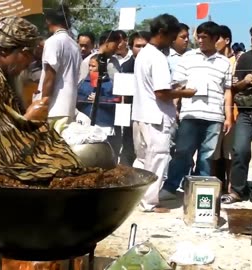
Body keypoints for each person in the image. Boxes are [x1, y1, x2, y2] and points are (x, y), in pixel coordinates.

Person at [0, 16, 86, 180]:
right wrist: (29, 119)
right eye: (27, 54)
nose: (29, 62)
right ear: (4, 51)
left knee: (69, 159)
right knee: (64, 162)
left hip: (1, 155)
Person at [160, 21, 233, 201]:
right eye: (198, 36)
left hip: (214, 116)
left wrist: (228, 116)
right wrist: (175, 107)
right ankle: (171, 187)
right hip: (190, 114)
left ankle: (202, 193)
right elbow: (177, 85)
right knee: (182, 152)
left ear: (215, 39)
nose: (200, 40)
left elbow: (228, 91)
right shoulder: (188, 58)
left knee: (207, 156)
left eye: (204, 37)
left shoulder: (224, 62)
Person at [131, 14, 196, 212]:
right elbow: (161, 93)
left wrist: (173, 87)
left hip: (141, 114)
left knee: (142, 159)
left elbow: (155, 87)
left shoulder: (143, 53)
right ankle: (149, 203)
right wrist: (185, 92)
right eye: (172, 36)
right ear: (162, 33)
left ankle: (135, 197)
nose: (173, 41)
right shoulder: (157, 57)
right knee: (157, 158)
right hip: (156, 116)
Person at [222, 23, 252, 206]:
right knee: (240, 150)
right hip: (245, 111)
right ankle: (236, 191)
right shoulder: (245, 59)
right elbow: (234, 88)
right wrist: (245, 81)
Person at [34, 5, 82, 134]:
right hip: (68, 106)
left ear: (49, 21)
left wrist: (43, 102)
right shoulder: (74, 45)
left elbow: (50, 75)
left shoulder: (53, 41)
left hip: (54, 108)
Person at [77, 54, 121, 163]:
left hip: (104, 124)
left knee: (105, 154)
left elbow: (117, 100)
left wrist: (100, 99)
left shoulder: (110, 83)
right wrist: (86, 98)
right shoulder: (83, 82)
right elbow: (77, 98)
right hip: (85, 124)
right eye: (90, 66)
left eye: (94, 66)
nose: (90, 69)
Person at [213, 25, 238, 192]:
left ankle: (231, 185)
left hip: (233, 112)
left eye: (217, 39)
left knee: (230, 151)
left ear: (227, 40)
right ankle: (214, 184)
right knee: (214, 151)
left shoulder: (237, 61)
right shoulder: (212, 60)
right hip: (214, 111)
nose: (214, 42)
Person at [120, 31, 151, 166]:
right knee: (129, 146)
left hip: (150, 114)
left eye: (145, 46)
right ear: (131, 47)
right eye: (138, 46)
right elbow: (122, 96)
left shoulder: (154, 64)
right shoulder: (126, 66)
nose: (142, 50)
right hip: (130, 113)